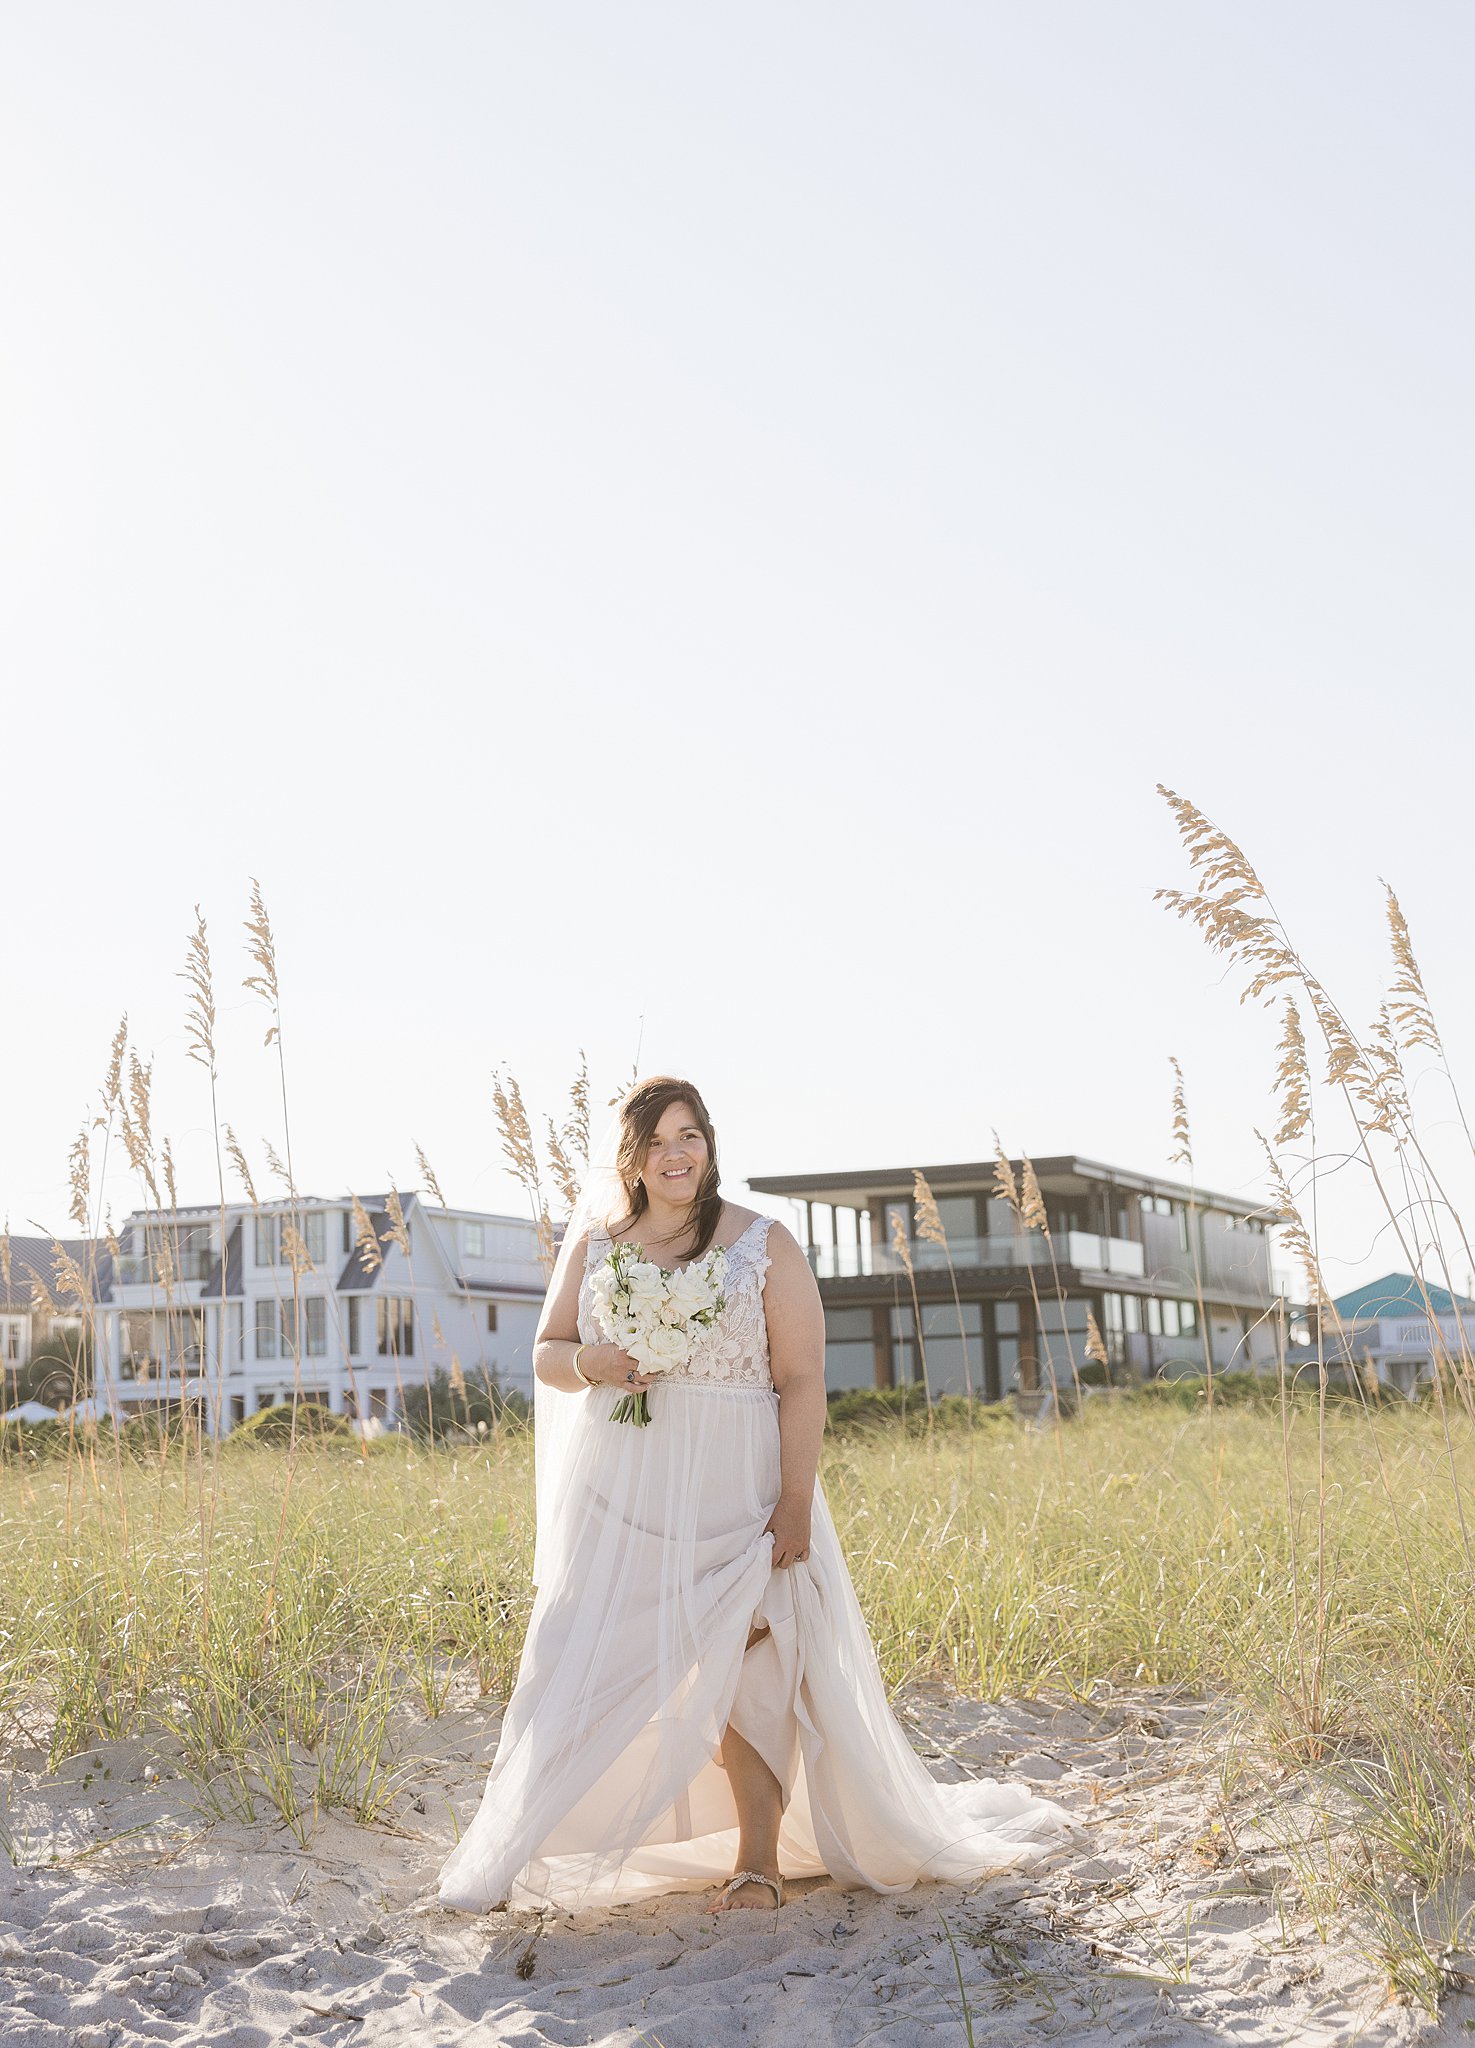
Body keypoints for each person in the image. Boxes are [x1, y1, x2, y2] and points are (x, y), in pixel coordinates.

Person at [436, 1076, 1075, 1917]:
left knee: (750, 1662)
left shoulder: (763, 1244)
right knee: (576, 1651)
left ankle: (758, 1858)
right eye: (658, 1140)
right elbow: (548, 1352)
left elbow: (802, 1381)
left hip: (737, 1483)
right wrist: (596, 1362)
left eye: (690, 1136)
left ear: (709, 1145)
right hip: (622, 1487)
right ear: (629, 1156)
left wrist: (795, 1500)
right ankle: (522, 1846)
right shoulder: (596, 1244)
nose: (677, 1154)